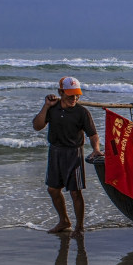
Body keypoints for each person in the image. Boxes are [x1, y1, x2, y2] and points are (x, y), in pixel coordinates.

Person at [32, 77, 103, 237]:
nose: (74, 99)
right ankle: (64, 221)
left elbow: (93, 134)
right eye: (70, 95)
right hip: (55, 152)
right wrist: (46, 106)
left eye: (77, 95)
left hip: (74, 153)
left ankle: (79, 227)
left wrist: (96, 149)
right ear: (60, 92)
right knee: (53, 189)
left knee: (75, 192)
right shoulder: (52, 108)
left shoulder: (82, 112)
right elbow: (37, 126)